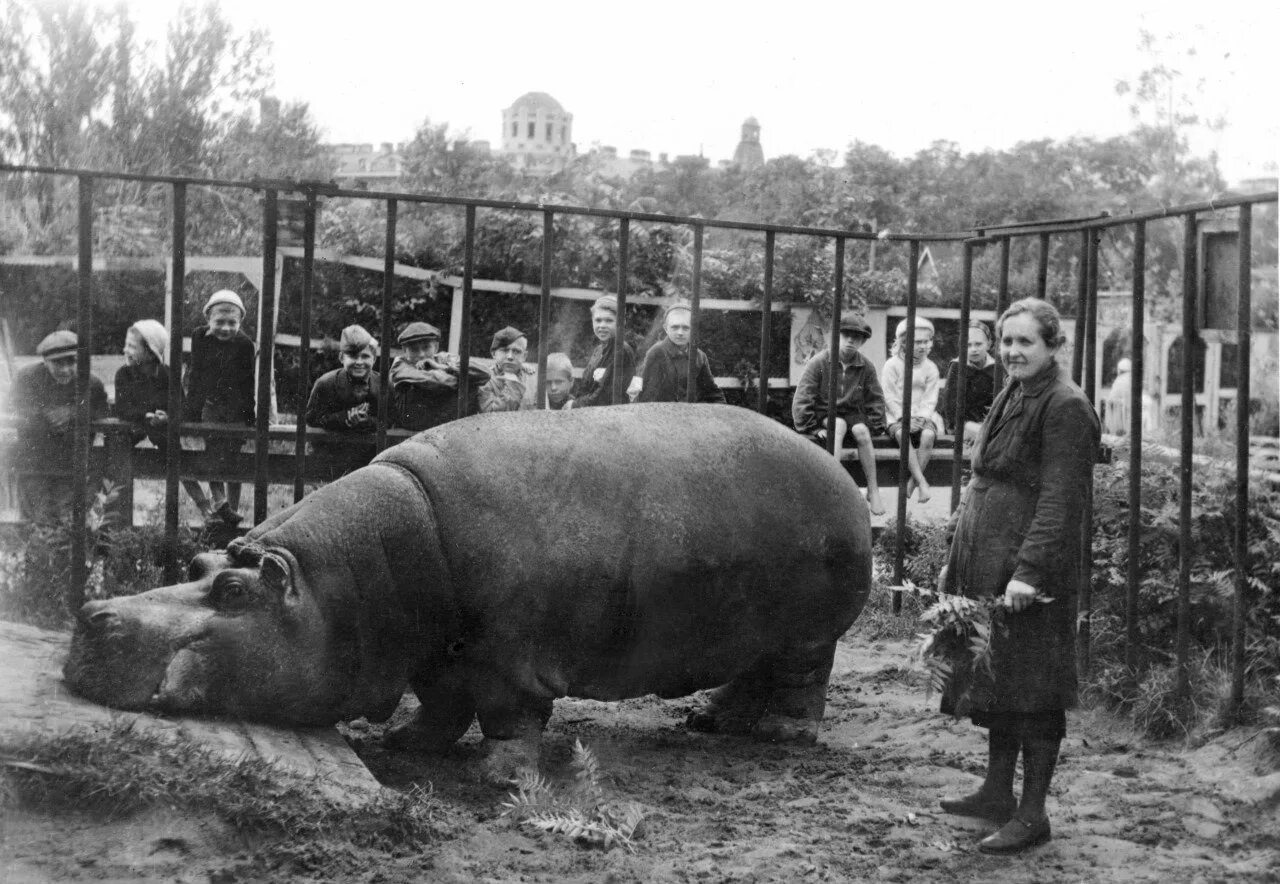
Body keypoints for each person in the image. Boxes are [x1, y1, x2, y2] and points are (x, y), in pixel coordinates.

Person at [935, 297, 1100, 855]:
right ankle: (996, 792)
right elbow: (983, 476)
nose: (1011, 352)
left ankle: (1033, 814)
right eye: (1007, 341)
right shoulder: (1014, 390)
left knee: (1033, 687)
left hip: (1030, 572)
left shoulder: (1065, 405)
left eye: (1025, 342)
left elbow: (1060, 501)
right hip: (987, 557)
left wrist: (1028, 573)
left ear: (1054, 346)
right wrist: (958, 552)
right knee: (998, 676)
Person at [791, 311, 888, 515]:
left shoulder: (865, 366)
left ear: (862, 342)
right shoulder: (820, 361)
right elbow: (803, 395)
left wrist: (875, 424)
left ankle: (873, 489)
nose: (850, 341)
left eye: (857, 337)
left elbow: (876, 398)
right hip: (826, 413)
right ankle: (833, 486)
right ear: (836, 336)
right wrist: (811, 426)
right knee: (839, 425)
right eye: (846, 335)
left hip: (853, 414)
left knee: (861, 430)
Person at [8, 330, 107, 524]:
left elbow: (102, 410)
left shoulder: (91, 383)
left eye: (71, 361)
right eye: (57, 363)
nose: (65, 369)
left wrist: (71, 413)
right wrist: (45, 415)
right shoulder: (27, 378)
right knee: (38, 525)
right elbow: (16, 406)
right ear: (45, 361)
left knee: (68, 524)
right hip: (34, 466)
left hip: (72, 467)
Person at [182, 290, 255, 527]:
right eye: (219, 322)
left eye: (232, 323)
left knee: (233, 453)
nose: (225, 328)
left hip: (235, 406)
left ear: (240, 322)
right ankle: (220, 501)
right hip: (212, 403)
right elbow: (196, 375)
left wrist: (248, 414)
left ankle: (231, 507)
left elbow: (248, 382)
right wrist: (192, 410)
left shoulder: (244, 344)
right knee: (213, 448)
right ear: (208, 320)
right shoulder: (200, 337)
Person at [882, 316, 944, 503]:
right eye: (917, 342)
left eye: (926, 341)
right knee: (902, 435)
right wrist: (904, 417)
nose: (923, 346)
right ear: (903, 342)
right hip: (896, 415)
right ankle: (921, 481)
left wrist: (923, 417)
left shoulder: (931, 368)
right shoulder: (892, 365)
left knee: (928, 436)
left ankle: (911, 483)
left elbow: (930, 398)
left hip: (922, 416)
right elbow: (889, 396)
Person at [305, 325, 381, 469]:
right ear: (341, 357)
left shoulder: (382, 385)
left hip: (371, 458)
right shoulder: (325, 384)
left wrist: (368, 422)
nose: (359, 362)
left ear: (374, 359)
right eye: (353, 356)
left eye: (365, 356)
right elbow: (311, 418)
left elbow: (392, 420)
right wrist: (344, 418)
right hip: (331, 456)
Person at [630, 302, 726, 404]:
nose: (680, 333)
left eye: (685, 328)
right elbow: (648, 395)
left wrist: (723, 408)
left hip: (689, 413)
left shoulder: (699, 356)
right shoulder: (657, 352)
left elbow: (711, 391)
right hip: (662, 413)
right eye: (675, 327)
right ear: (666, 328)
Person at [941, 319, 998, 446]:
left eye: (978, 344)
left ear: (989, 344)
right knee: (986, 435)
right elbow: (950, 404)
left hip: (988, 422)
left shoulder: (995, 368)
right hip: (962, 423)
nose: (973, 349)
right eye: (968, 345)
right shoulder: (957, 367)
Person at [573, 295, 635, 408]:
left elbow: (604, 396)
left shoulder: (622, 351)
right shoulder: (598, 350)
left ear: (622, 322)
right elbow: (585, 387)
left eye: (609, 321)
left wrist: (574, 405)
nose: (602, 326)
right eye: (598, 320)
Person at [478, 326, 535, 413]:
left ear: (524, 356)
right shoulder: (484, 381)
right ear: (493, 354)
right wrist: (512, 386)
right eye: (504, 350)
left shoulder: (533, 378)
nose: (510, 357)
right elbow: (490, 416)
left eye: (516, 351)